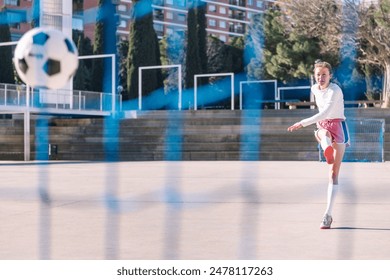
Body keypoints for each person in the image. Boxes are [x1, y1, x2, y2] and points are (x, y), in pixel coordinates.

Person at [287, 60, 350, 229]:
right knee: (322, 133)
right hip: (323, 124)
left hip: (338, 124)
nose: (321, 78)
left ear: (330, 75)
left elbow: (327, 112)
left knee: (333, 174)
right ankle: (326, 146)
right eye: (318, 75)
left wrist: (302, 122)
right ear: (314, 76)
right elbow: (322, 116)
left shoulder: (335, 90)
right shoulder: (314, 89)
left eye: (324, 74)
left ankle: (328, 214)